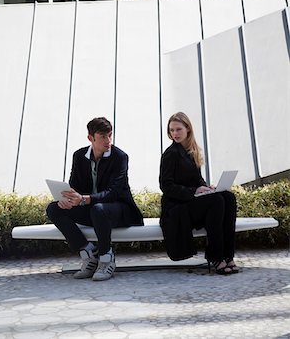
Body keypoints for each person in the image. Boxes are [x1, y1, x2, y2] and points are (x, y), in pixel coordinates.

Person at [46, 117, 143, 281]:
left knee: (98, 209)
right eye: (103, 137)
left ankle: (107, 258)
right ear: (91, 138)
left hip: (118, 210)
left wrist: (84, 199)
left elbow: (113, 192)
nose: (108, 141)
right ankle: (88, 253)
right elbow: (74, 185)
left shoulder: (120, 157)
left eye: (110, 135)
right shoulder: (79, 156)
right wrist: (69, 199)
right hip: (92, 210)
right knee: (54, 208)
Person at [159, 112, 239, 275]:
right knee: (216, 201)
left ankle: (228, 255)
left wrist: (207, 187)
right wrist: (194, 191)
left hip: (190, 202)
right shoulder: (170, 154)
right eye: (172, 130)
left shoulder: (191, 151)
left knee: (228, 197)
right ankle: (216, 257)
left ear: (188, 129)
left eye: (178, 129)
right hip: (176, 207)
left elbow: (197, 180)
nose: (175, 134)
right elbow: (166, 186)